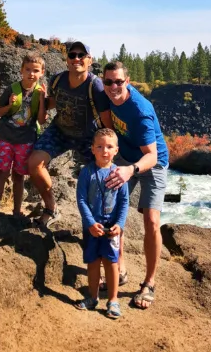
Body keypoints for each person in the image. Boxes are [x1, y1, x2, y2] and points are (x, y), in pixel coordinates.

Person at [103, 61, 169, 310]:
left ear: (127, 81)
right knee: (111, 211)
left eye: (119, 81)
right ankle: (119, 270)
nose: (113, 86)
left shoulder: (140, 111)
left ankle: (149, 283)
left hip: (152, 162)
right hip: (124, 156)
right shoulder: (105, 94)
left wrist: (131, 170)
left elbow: (151, 156)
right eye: (108, 81)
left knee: (151, 220)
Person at [28, 41, 112, 228]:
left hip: (87, 136)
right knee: (34, 163)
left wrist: (113, 148)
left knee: (99, 178)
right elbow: (53, 103)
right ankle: (51, 208)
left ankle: (98, 221)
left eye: (81, 55)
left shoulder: (95, 86)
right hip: (60, 131)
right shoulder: (58, 79)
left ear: (89, 60)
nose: (76, 59)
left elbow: (107, 120)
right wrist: (39, 99)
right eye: (72, 55)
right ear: (66, 60)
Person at [75, 128, 129, 319]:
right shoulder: (86, 172)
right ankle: (93, 297)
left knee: (111, 263)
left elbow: (124, 202)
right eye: (99, 146)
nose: (104, 150)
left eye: (109, 146)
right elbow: (81, 199)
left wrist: (120, 225)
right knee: (92, 263)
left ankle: (113, 300)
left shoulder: (120, 174)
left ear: (116, 150)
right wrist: (89, 223)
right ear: (92, 149)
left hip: (111, 228)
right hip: (92, 228)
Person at [0, 52, 47, 216]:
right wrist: (9, 105)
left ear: (42, 72)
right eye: (28, 69)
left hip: (26, 141)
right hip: (6, 139)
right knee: (1, 173)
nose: (31, 74)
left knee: (19, 176)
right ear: (21, 70)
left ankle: (16, 211)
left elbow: (42, 121)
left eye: (36, 70)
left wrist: (43, 99)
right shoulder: (12, 89)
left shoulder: (39, 93)